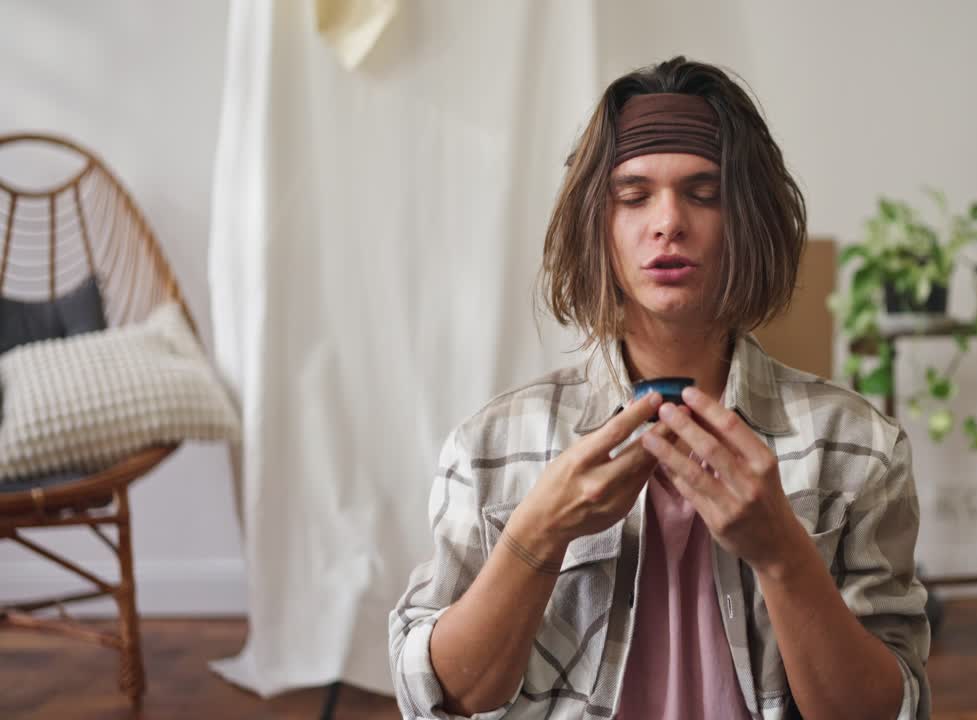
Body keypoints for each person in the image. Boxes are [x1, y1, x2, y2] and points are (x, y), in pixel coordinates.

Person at [390, 56, 930, 720]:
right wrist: (534, 536)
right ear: (598, 223)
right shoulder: (490, 447)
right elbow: (443, 699)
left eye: (704, 192)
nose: (668, 221)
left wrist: (784, 553)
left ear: (748, 219)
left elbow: (886, 711)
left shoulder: (860, 448)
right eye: (634, 194)